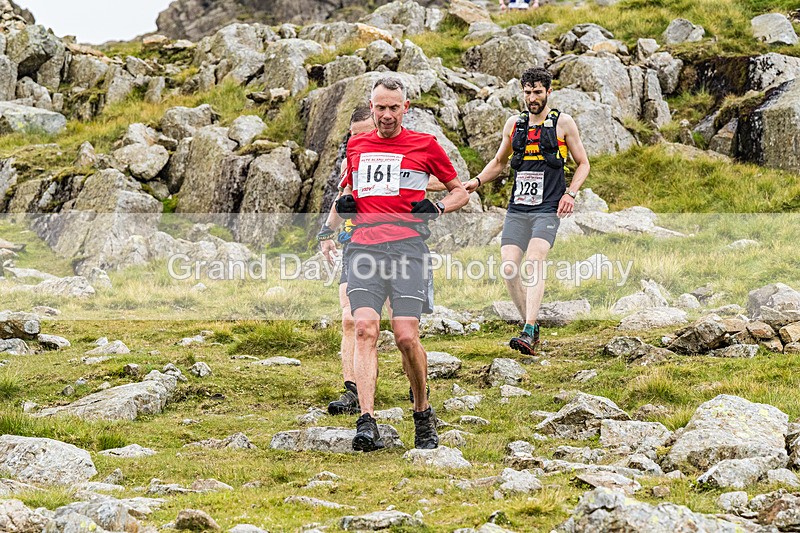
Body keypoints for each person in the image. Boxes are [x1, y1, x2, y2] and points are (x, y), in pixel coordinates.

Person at [336, 77, 469, 452]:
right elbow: (350, 188)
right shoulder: (357, 145)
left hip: (409, 250)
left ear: (405, 108)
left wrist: (437, 207)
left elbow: (459, 191)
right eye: (380, 107)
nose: (387, 115)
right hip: (364, 248)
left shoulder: (425, 145)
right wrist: (347, 203)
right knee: (364, 328)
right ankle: (367, 421)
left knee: (406, 337)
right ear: (372, 107)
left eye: (394, 107)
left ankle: (422, 412)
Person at [320, 106, 443, 416]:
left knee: (402, 327)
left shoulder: (408, 151)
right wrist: (326, 232)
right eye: (354, 135)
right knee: (353, 320)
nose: (362, 140)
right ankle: (353, 391)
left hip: (401, 245)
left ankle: (417, 385)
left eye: (365, 133)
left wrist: (411, 188)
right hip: (357, 243)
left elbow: (438, 180)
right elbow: (343, 195)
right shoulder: (353, 155)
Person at [465, 66, 589, 356]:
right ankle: (528, 326)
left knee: (534, 261)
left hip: (548, 207)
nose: (532, 98)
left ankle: (530, 329)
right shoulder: (514, 124)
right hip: (518, 208)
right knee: (509, 269)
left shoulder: (563, 123)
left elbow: (583, 163)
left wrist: (571, 193)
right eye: (528, 92)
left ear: (548, 92)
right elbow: (499, 162)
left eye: (537, 92)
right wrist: (476, 181)